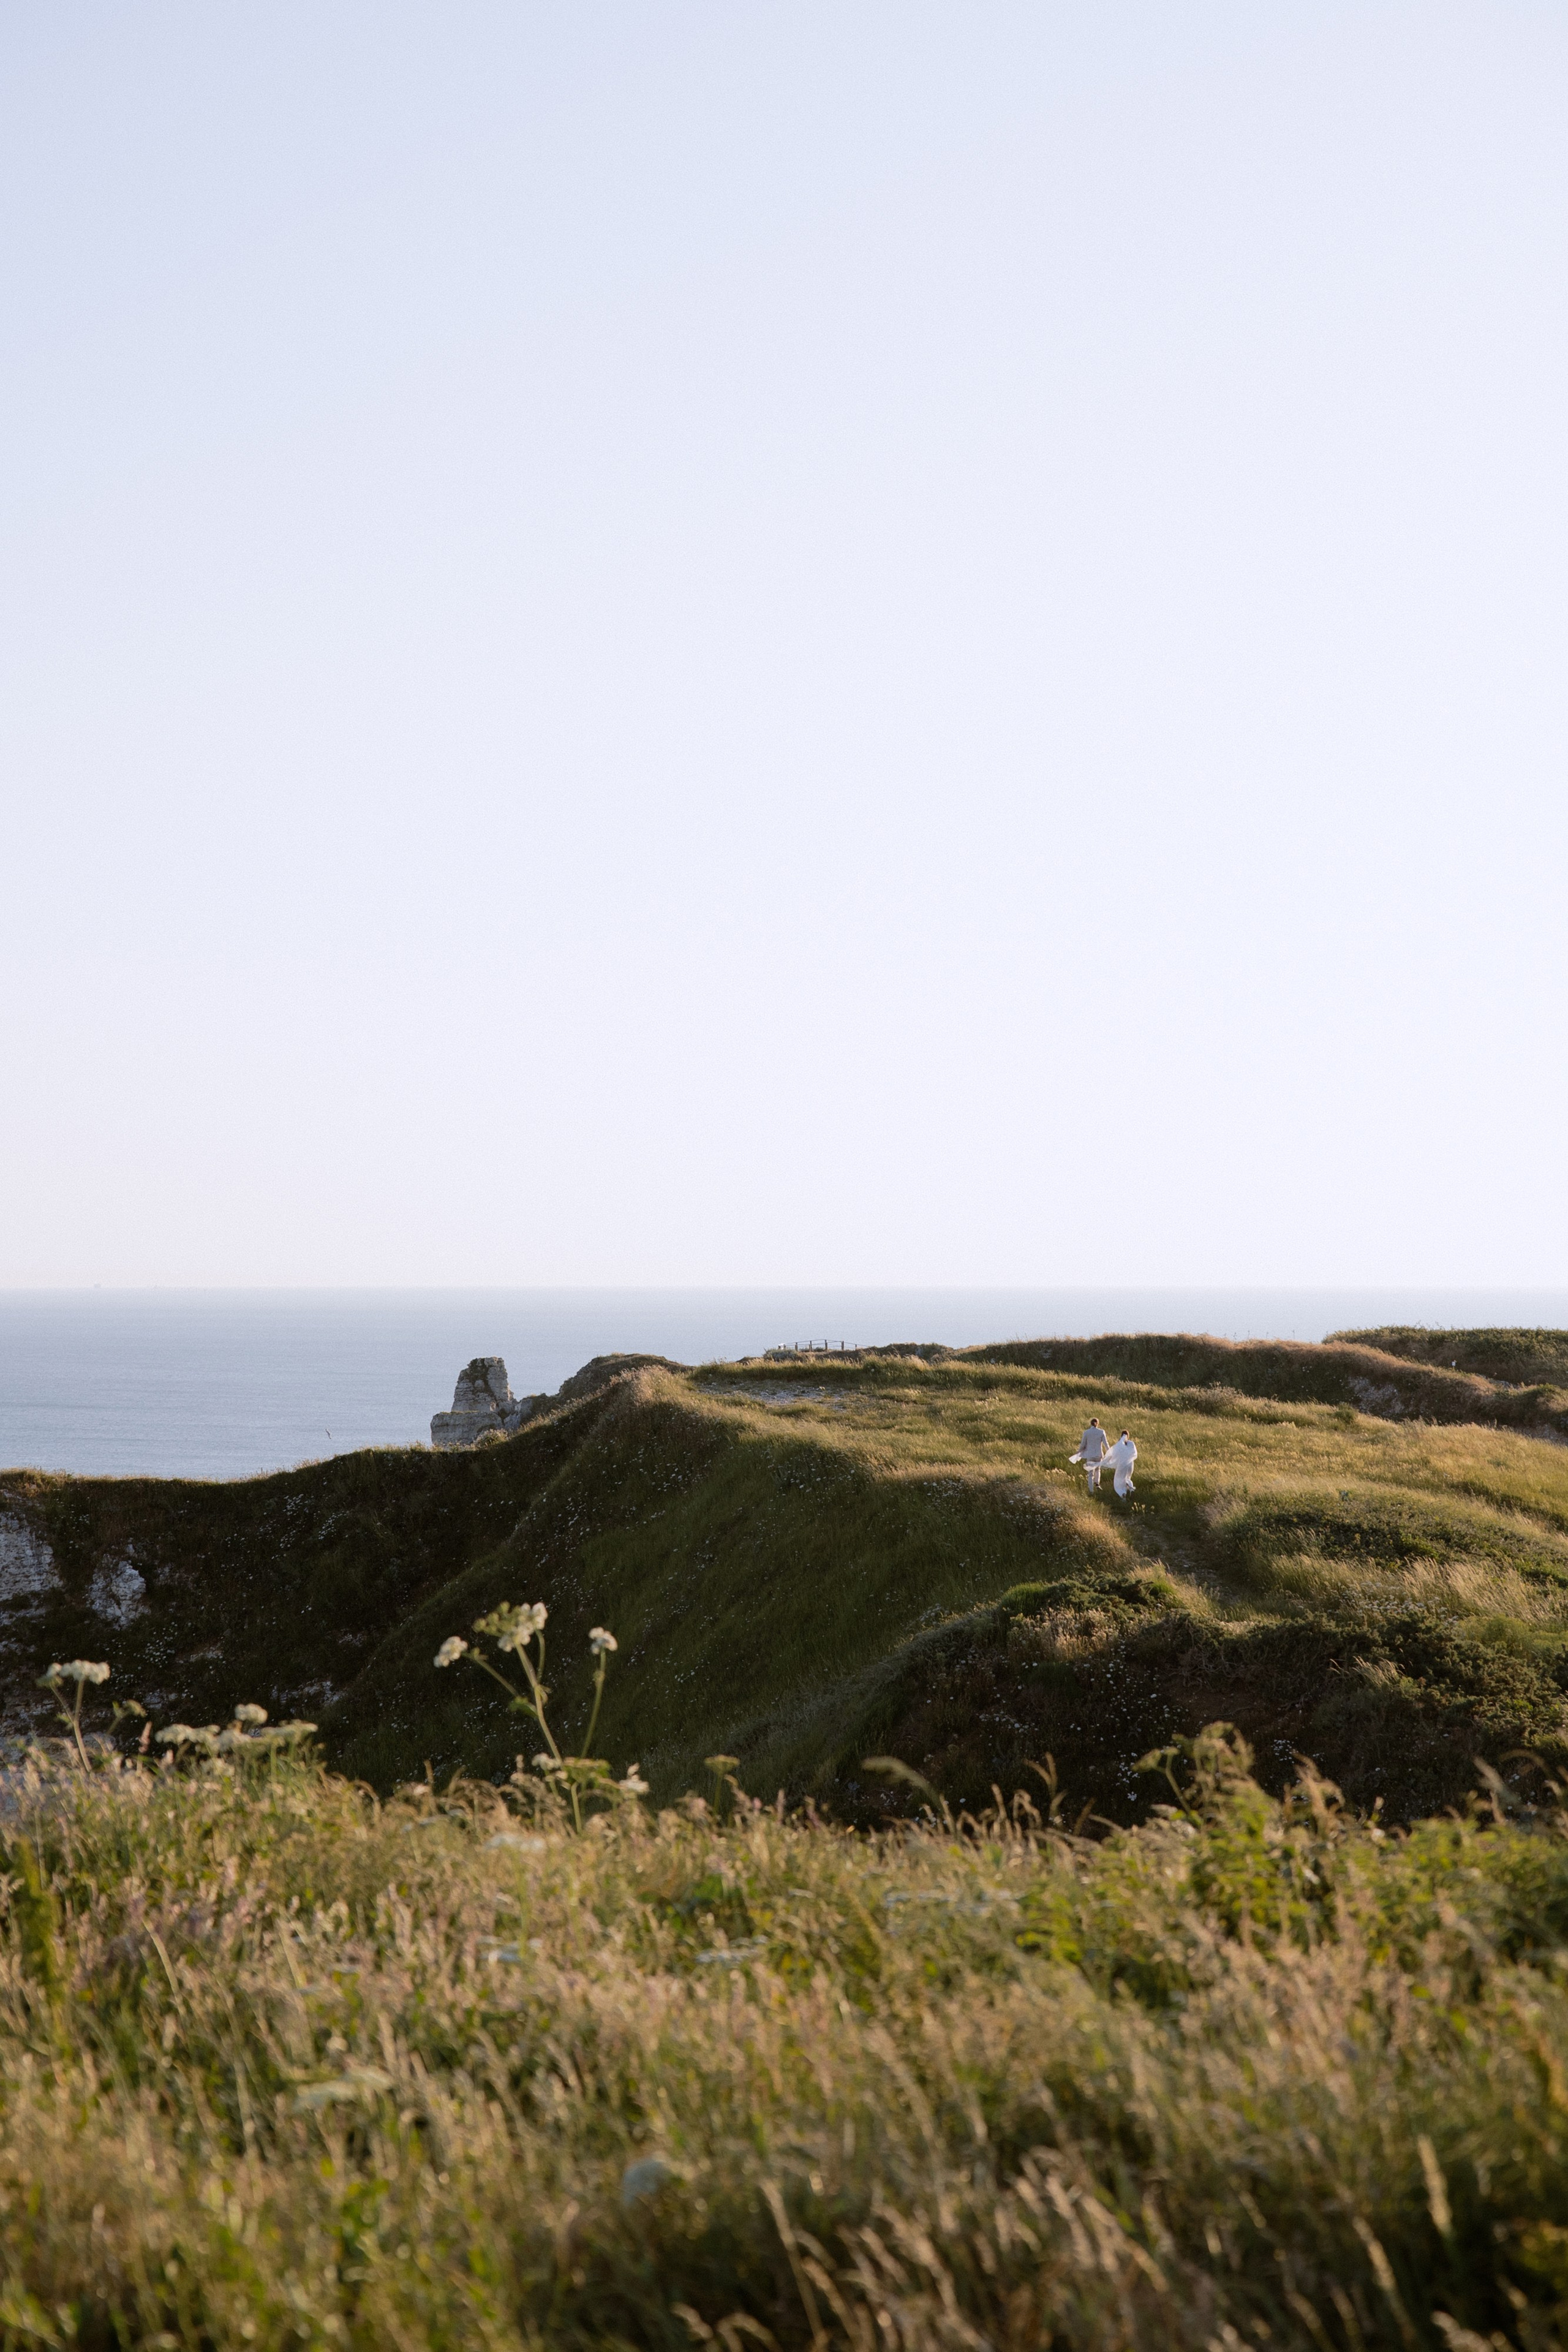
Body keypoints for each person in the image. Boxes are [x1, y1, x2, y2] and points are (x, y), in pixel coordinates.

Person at [1069, 1417, 1111, 1493]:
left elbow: (1083, 1445)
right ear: (1098, 1424)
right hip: (1099, 1454)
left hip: (1090, 1455)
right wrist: (1110, 1452)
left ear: (1091, 1424)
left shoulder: (1086, 1432)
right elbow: (1106, 1444)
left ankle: (1091, 1491)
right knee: (1098, 1470)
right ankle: (1097, 1484)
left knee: (1091, 1473)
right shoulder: (1101, 1432)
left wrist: (1078, 1452)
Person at [1104, 1428, 1137, 1498]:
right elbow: (1134, 1453)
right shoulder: (1131, 1443)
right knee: (1128, 1478)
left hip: (1122, 1465)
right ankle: (1131, 1488)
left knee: (1119, 1480)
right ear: (1128, 1436)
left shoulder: (1119, 1444)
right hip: (1130, 1464)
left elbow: (1115, 1454)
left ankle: (1122, 1493)